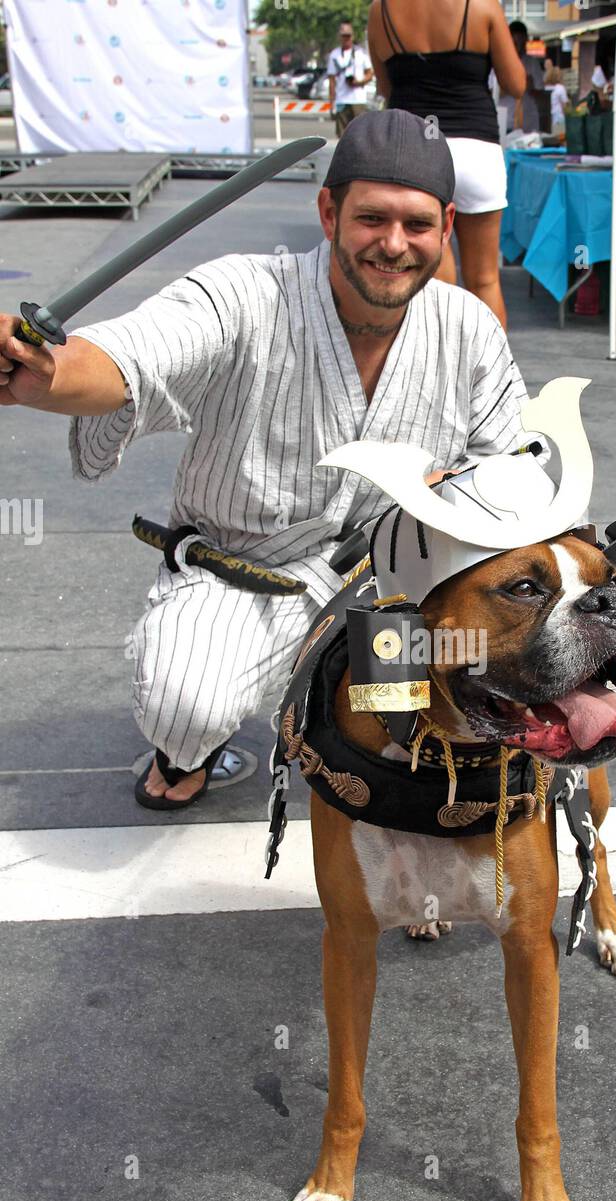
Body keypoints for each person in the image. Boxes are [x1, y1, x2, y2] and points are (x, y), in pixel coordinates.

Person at [0, 112, 541, 809]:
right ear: (328, 211)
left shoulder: (466, 325)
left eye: (417, 225)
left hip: (390, 585)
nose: (394, 245)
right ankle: (192, 749)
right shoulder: (243, 293)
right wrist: (44, 368)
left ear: (444, 225)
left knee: (400, 751)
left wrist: (466, 493)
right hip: (243, 575)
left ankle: (372, 736)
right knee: (185, 708)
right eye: (372, 218)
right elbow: (131, 352)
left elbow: (505, 471)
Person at [367, 0, 525, 329]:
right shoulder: (482, 6)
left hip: (416, 153)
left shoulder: (380, 10)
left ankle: (443, 376)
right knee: (484, 279)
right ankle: (493, 378)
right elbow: (516, 84)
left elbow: (385, 88)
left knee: (435, 288)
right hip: (476, 151)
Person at [327, 18, 374, 136]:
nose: (346, 38)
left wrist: (359, 82)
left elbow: (370, 73)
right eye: (344, 36)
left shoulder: (360, 53)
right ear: (339, 36)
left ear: (352, 36)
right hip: (342, 100)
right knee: (342, 136)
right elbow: (332, 81)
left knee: (360, 134)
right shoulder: (335, 55)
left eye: (348, 35)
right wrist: (331, 103)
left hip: (358, 99)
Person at [502, 19, 545, 132]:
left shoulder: (532, 63)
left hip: (528, 123)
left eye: (522, 42)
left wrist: (530, 86)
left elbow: (540, 93)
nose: (519, 47)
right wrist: (512, 85)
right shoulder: (499, 61)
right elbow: (492, 90)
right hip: (506, 121)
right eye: (515, 43)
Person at [545, 63, 569, 137]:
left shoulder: (547, 88)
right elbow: (564, 105)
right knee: (560, 139)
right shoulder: (560, 88)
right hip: (559, 118)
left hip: (549, 118)